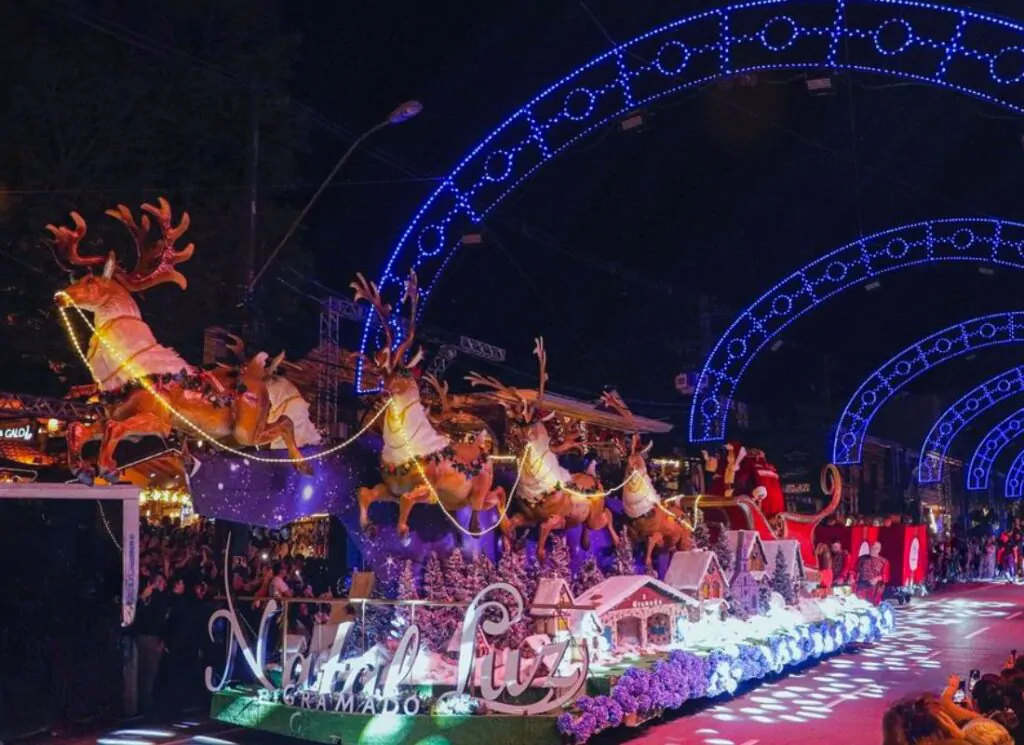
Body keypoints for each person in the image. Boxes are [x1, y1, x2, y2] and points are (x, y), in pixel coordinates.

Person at [133, 571, 169, 713]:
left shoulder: (160, 599)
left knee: (148, 672)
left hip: (150, 637)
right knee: (147, 672)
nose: (163, 584)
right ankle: (145, 704)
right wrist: (143, 597)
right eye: (160, 581)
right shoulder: (151, 597)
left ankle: (145, 702)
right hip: (146, 637)